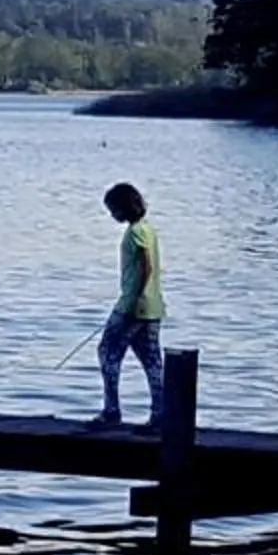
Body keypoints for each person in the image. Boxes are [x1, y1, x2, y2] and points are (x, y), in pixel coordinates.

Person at [88, 182, 166, 431]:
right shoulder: (148, 229)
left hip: (132, 306)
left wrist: (132, 302)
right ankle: (161, 415)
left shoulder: (135, 233)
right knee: (152, 361)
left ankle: (111, 411)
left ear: (123, 208)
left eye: (112, 209)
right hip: (152, 307)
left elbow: (145, 267)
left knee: (107, 353)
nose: (111, 214)